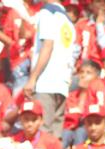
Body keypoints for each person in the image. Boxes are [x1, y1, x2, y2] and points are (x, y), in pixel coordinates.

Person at [25, 0, 76, 138]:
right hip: (62, 83)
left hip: (46, 81)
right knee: (55, 137)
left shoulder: (47, 12)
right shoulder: (67, 20)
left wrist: (33, 78)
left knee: (42, 134)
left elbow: (48, 46)